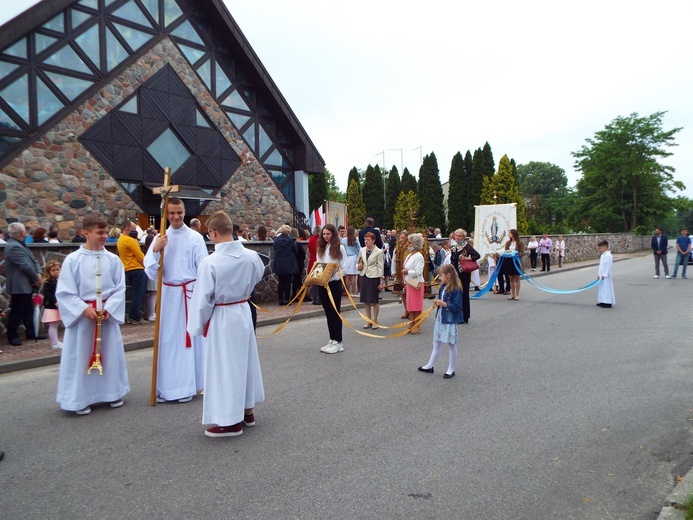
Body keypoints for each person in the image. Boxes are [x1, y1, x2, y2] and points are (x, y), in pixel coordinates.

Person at [187, 211, 265, 438]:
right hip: (242, 310)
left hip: (222, 316)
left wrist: (197, 327)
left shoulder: (210, 262)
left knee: (225, 368)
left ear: (212, 232)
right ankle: (247, 410)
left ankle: (230, 422)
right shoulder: (251, 256)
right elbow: (259, 275)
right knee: (245, 362)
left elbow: (202, 299)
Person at [55, 215, 130, 415]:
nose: (105, 236)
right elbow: (64, 291)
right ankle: (79, 399)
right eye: (100, 233)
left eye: (106, 232)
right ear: (86, 233)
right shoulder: (73, 260)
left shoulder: (113, 260)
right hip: (83, 319)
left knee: (110, 355)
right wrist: (82, 308)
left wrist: (110, 307)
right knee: (81, 356)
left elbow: (120, 289)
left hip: (106, 315)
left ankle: (112, 393)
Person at [144, 197, 207, 404]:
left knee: (188, 341)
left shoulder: (195, 237)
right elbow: (151, 271)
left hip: (189, 293)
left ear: (184, 211)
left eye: (179, 212)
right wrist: (155, 250)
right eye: (172, 213)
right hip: (169, 296)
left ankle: (187, 386)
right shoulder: (161, 238)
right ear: (166, 214)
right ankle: (167, 387)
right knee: (169, 340)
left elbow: (203, 269)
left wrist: (201, 296)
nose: (176, 216)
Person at [417, 264, 463, 379]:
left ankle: (451, 368)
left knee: (451, 344)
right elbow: (442, 300)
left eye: (441, 275)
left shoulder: (456, 288)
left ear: (448, 275)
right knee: (436, 342)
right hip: (441, 318)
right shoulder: (443, 286)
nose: (439, 278)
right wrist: (438, 301)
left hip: (449, 320)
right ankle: (430, 365)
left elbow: (457, 306)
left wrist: (444, 304)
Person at [4, 222, 46, 346]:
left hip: (26, 284)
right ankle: (12, 336)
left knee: (28, 310)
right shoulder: (14, 246)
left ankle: (31, 332)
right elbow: (25, 266)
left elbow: (33, 260)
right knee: (17, 311)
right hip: (19, 285)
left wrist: (38, 272)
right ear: (22, 232)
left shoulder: (20, 244)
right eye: (25, 231)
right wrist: (36, 279)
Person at [316, 224, 348, 354]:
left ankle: (338, 341)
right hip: (323, 283)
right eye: (324, 234)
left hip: (334, 283)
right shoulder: (321, 247)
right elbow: (319, 264)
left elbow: (344, 267)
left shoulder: (339, 248)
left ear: (333, 234)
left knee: (335, 311)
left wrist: (334, 274)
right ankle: (332, 339)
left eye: (328, 234)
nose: (325, 236)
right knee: (328, 311)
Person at [116, 220, 147, 325]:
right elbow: (140, 257)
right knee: (139, 293)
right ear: (127, 229)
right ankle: (135, 316)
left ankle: (132, 315)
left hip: (127, 268)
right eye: (133, 229)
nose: (135, 232)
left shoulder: (120, 240)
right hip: (137, 269)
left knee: (134, 294)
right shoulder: (130, 240)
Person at [448, 229, 480, 323]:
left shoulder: (466, 247)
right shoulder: (454, 247)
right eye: (456, 235)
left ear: (463, 237)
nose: (457, 237)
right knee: (455, 295)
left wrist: (466, 258)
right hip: (455, 275)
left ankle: (464, 316)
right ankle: (456, 314)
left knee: (463, 295)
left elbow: (477, 255)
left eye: (460, 236)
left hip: (463, 274)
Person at [357, 231, 384, 329]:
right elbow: (359, 261)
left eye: (368, 240)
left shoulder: (379, 252)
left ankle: (375, 320)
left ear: (373, 241)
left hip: (374, 277)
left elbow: (380, 267)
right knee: (366, 300)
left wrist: (381, 281)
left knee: (374, 300)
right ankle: (368, 320)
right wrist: (358, 266)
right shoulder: (362, 250)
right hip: (364, 276)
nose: (366, 241)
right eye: (365, 239)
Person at [402, 233, 425, 335]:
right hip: (409, 282)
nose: (408, 244)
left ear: (415, 244)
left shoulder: (419, 256)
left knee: (417, 305)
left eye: (410, 242)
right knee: (411, 305)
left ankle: (417, 325)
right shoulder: (410, 255)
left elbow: (419, 271)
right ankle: (411, 324)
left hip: (416, 282)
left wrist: (408, 272)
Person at [272, 224, 298, 306]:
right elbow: (296, 251)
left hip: (279, 264)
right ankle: (286, 299)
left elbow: (275, 249)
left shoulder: (276, 240)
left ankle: (280, 299)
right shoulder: (291, 241)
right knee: (287, 282)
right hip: (289, 263)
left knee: (281, 282)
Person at [41, 260, 62, 350]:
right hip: (51, 306)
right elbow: (48, 294)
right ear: (49, 272)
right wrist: (55, 302)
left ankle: (56, 341)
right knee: (53, 325)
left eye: (58, 269)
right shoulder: (48, 282)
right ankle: (54, 343)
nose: (56, 272)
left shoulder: (59, 280)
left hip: (58, 306)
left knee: (56, 323)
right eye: (53, 270)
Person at [502, 229, 524, 301]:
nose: (509, 234)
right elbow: (506, 251)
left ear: (514, 234)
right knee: (510, 278)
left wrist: (517, 254)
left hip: (516, 261)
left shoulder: (519, 242)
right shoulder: (508, 243)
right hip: (509, 261)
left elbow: (522, 252)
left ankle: (517, 294)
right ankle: (512, 294)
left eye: (510, 233)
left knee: (517, 278)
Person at [342, 226, 361, 296]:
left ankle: (348, 292)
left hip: (346, 257)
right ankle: (353, 292)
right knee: (353, 276)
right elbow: (359, 249)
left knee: (347, 276)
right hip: (353, 257)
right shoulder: (356, 239)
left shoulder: (343, 240)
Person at [596, 240, 614, 308]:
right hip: (601, 275)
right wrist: (599, 274)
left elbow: (607, 266)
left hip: (606, 275)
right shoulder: (603, 255)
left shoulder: (608, 255)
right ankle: (602, 300)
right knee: (602, 288)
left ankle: (608, 302)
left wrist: (604, 275)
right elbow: (601, 266)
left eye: (600, 248)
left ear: (605, 247)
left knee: (607, 288)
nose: (599, 249)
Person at [290, 227, 306, 300]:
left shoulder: (289, 243)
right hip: (298, 264)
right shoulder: (297, 244)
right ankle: (301, 295)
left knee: (296, 280)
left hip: (293, 263)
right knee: (297, 280)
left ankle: (296, 295)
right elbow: (303, 254)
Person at [307, 225, 321, 305]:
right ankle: (319, 298)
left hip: (312, 260)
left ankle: (315, 298)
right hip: (320, 261)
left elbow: (309, 249)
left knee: (314, 282)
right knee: (320, 281)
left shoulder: (311, 240)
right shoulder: (321, 240)